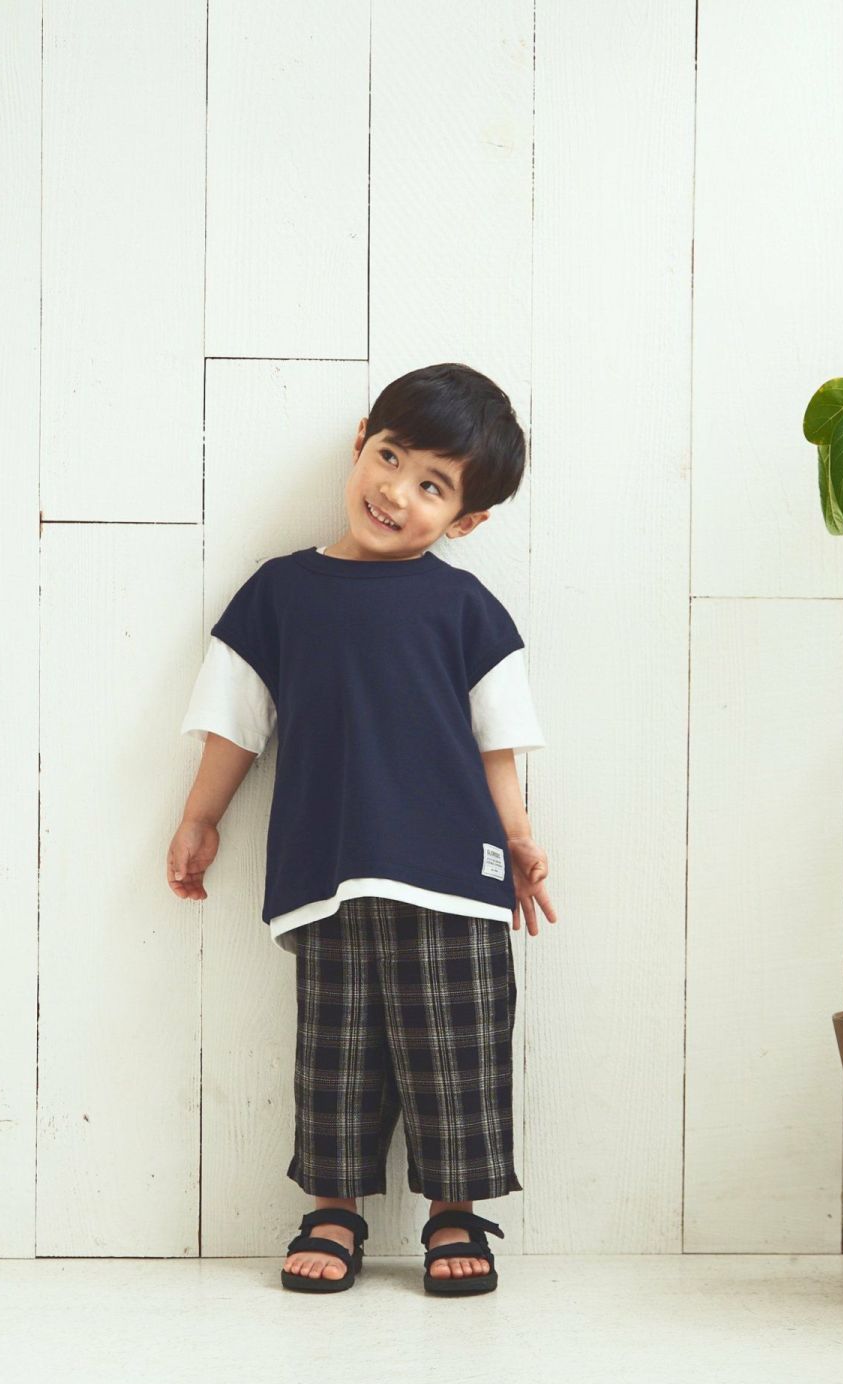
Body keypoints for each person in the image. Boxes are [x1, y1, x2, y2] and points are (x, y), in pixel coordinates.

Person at [166, 363, 556, 1296]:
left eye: (433, 486)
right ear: (360, 443)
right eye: (390, 458)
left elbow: (498, 743)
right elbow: (236, 723)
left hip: (454, 870)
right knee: (336, 1050)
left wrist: (519, 837)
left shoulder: (465, 608)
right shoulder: (280, 593)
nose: (397, 492)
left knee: (457, 1045)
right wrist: (200, 816)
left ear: (467, 520)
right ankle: (333, 1208)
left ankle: (455, 1213)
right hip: (328, 864)